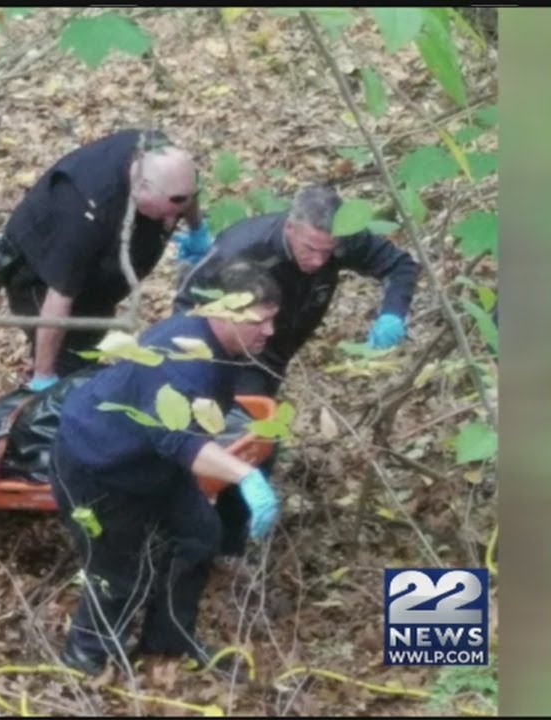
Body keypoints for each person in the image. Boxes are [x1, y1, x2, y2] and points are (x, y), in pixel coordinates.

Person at [51, 260, 284, 676]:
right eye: (260, 321)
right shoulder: (183, 358)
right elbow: (176, 440)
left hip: (152, 464)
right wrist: (247, 476)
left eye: (272, 320)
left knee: (200, 534)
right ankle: (84, 658)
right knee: (117, 569)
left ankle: (168, 639)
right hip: (98, 468)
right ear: (222, 313)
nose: (269, 331)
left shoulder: (218, 346)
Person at [172, 184, 420, 558]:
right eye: (310, 249)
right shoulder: (244, 249)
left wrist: (393, 311)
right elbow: (185, 304)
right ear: (291, 228)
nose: (320, 261)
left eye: (329, 251)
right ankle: (217, 544)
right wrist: (203, 365)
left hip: (276, 353)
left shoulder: (343, 239)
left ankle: (226, 536)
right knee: (253, 442)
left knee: (256, 443)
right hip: (230, 351)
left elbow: (400, 265)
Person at [0, 129, 213, 390]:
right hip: (41, 276)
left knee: (88, 346)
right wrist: (44, 375)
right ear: (140, 188)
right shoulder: (82, 212)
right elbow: (59, 298)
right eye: (165, 215)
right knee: (68, 368)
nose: (171, 223)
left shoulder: (161, 159)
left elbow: (186, 193)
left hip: (99, 279)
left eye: (177, 214)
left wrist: (197, 230)